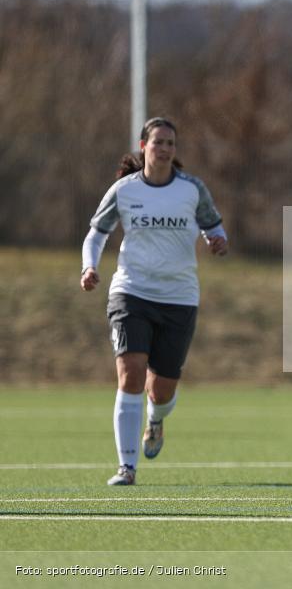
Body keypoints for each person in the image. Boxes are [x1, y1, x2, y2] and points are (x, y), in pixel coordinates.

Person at [80, 117, 228, 486]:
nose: (164, 149)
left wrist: (217, 240)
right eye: (158, 142)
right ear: (143, 145)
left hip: (179, 297)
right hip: (131, 291)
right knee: (130, 374)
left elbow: (214, 226)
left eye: (170, 143)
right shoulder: (125, 190)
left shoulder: (191, 190)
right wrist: (89, 267)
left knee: (161, 390)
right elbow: (97, 233)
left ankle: (156, 419)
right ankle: (126, 467)